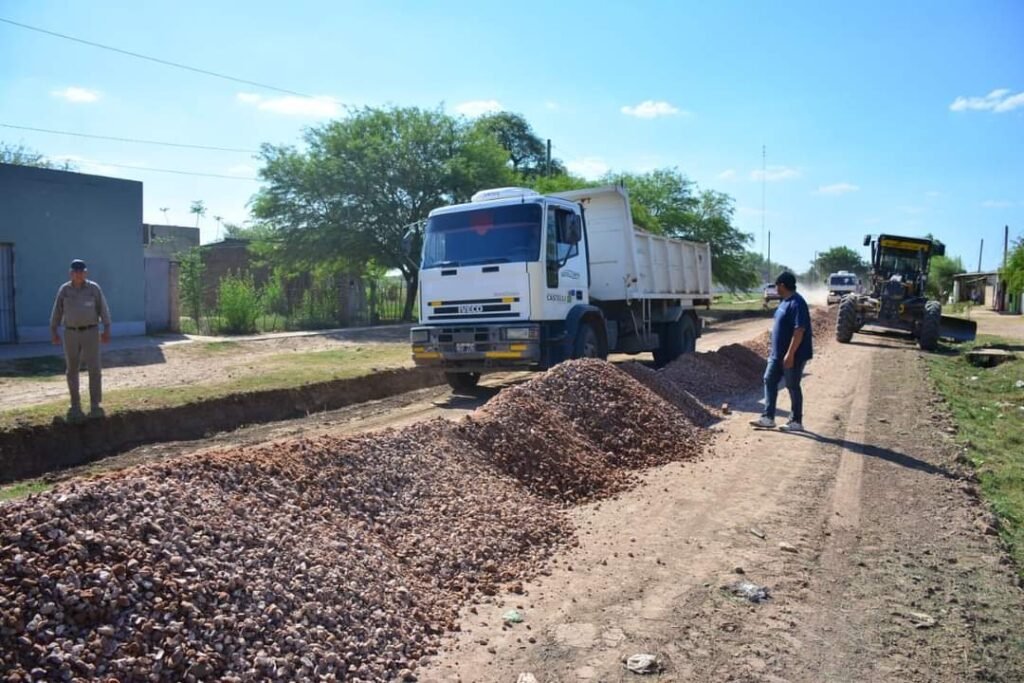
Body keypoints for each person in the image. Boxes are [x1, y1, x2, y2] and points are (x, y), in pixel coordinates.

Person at [750, 271, 813, 432]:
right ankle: (768, 418)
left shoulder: (797, 303)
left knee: (792, 385)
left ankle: (796, 421)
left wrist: (790, 354)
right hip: (777, 354)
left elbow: (799, 331)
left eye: (776, 285)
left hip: (793, 355)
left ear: (782, 285)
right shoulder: (784, 302)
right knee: (769, 380)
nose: (775, 288)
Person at [50, 259, 112, 420]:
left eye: (81, 271)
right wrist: (54, 331)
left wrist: (107, 329)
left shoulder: (94, 288)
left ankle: (95, 403)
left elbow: (103, 309)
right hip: (71, 333)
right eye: (75, 271)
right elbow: (57, 311)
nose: (78, 274)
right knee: (72, 369)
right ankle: (75, 403)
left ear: (86, 273)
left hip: (91, 332)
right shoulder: (64, 290)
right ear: (71, 273)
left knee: (94, 368)